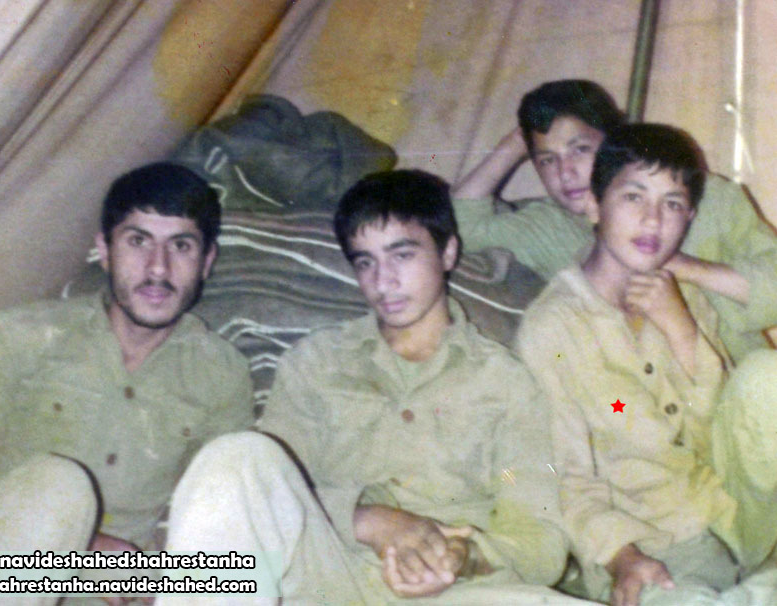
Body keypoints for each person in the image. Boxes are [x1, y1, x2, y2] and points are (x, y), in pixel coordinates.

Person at [156, 170, 596, 605]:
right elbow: (271, 494)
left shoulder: (508, 384)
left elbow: (539, 539)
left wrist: (465, 558)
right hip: (329, 579)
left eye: (402, 255)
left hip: (457, 592)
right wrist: (370, 521)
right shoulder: (316, 363)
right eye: (365, 262)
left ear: (447, 252)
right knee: (236, 456)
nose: (383, 281)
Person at [0, 162, 254, 604]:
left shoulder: (222, 374)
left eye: (181, 246)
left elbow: (214, 515)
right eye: (138, 241)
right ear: (104, 250)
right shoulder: (21, 334)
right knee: (58, 483)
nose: (158, 268)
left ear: (206, 261)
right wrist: (72, 549)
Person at [516, 123, 777, 606]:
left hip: (731, 510)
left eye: (672, 204)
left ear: (689, 218)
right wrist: (620, 556)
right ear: (594, 205)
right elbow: (566, 474)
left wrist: (681, 330)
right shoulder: (553, 328)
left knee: (767, 376)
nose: (653, 220)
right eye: (634, 197)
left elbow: (721, 429)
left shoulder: (682, 294)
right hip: (653, 541)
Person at [454, 79, 777, 362]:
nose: (565, 173)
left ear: (613, 143)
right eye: (548, 160)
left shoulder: (706, 197)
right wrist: (514, 144)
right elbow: (457, 228)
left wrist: (679, 265)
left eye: (580, 149)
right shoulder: (548, 226)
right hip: (641, 399)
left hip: (741, 385)